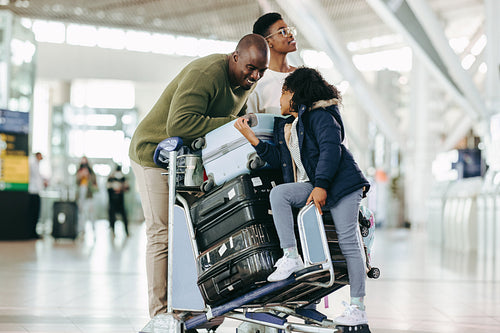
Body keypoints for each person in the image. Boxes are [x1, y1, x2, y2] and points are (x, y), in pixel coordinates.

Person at [129, 33, 269, 319]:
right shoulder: (205, 73)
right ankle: (159, 315)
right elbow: (179, 124)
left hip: (189, 161)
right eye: (250, 68)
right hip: (154, 153)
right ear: (235, 57)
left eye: (260, 71)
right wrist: (233, 124)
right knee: (162, 234)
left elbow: (232, 129)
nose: (254, 76)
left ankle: (187, 306)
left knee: (192, 232)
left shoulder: (244, 84)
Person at [234, 67, 371, 326]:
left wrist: (321, 186)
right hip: (316, 184)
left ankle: (358, 306)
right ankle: (291, 256)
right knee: (280, 195)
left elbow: (332, 149)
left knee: (348, 241)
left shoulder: (321, 115)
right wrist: (251, 138)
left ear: (295, 94)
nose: (280, 100)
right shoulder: (291, 126)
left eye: (283, 93)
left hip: (341, 185)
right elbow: (280, 159)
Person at [247, 12, 297, 115]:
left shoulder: (304, 75)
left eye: (289, 30)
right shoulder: (257, 83)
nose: (291, 35)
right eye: (282, 31)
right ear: (268, 42)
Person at [28, 152, 48, 238]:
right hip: (33, 191)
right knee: (34, 213)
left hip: (36, 191)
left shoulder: (36, 164)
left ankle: (33, 232)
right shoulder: (33, 164)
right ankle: (32, 232)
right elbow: (36, 178)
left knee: (36, 214)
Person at [76, 156, 98, 234]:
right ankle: (82, 230)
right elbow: (76, 182)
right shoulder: (78, 171)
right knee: (81, 213)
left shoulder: (91, 172)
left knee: (91, 212)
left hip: (89, 195)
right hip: (81, 194)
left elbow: (95, 184)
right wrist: (80, 175)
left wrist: (88, 176)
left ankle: (93, 229)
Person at [106, 165, 130, 236]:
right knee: (112, 218)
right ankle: (113, 232)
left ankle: (126, 232)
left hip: (120, 202)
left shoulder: (123, 179)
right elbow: (108, 187)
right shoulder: (111, 179)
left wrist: (122, 186)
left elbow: (127, 188)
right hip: (113, 201)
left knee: (124, 217)